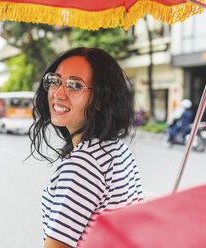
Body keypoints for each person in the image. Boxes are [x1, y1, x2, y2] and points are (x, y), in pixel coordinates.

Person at [29, 47, 144, 248]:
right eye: (55, 80)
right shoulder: (117, 149)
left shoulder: (84, 163)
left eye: (75, 85)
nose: (58, 93)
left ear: (100, 100)